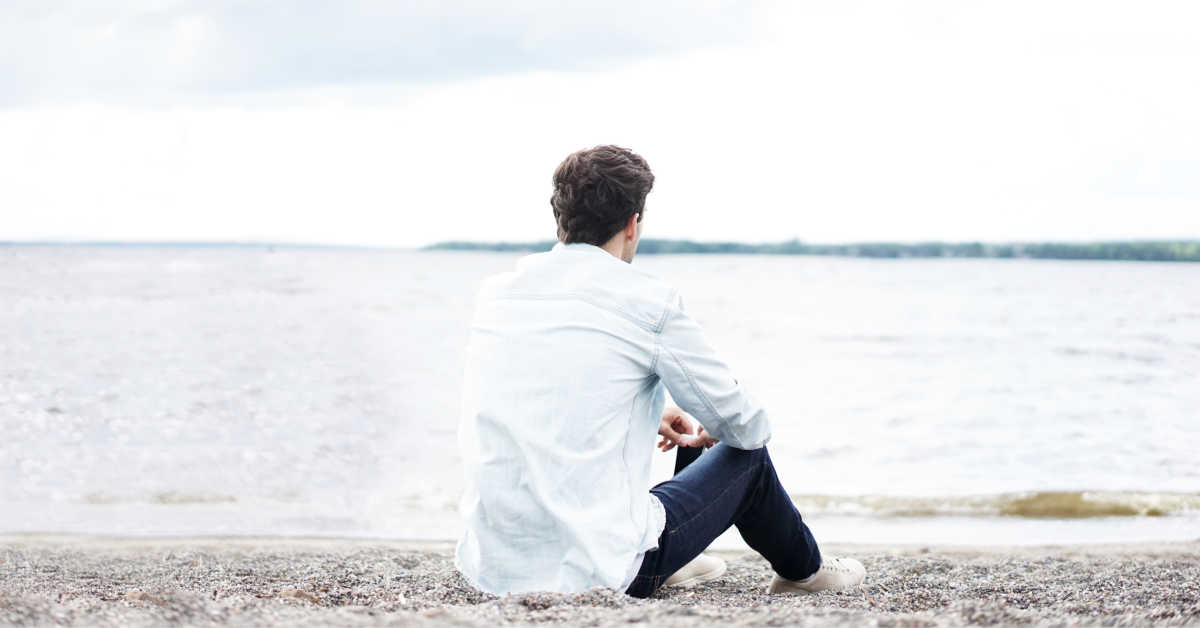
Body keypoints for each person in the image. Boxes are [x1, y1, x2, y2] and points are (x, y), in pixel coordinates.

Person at [454, 145, 866, 598]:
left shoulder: (498, 294)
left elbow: (540, 398)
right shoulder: (646, 302)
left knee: (695, 430)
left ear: (560, 217)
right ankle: (804, 572)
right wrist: (717, 423)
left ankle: (677, 557)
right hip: (602, 569)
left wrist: (650, 412)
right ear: (633, 224)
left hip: (493, 565)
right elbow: (747, 426)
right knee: (748, 459)